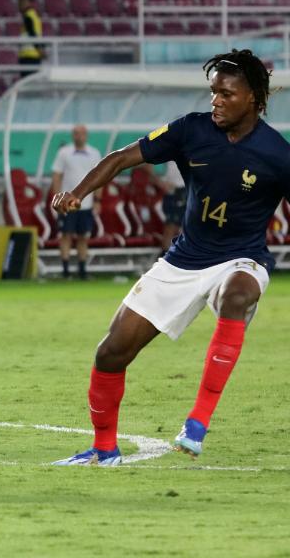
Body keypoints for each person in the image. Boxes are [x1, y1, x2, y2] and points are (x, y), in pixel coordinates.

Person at [52, 49, 289, 466]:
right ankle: (104, 449)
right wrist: (78, 194)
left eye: (226, 94)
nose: (215, 100)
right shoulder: (190, 130)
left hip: (241, 258)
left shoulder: (277, 154)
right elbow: (121, 158)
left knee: (238, 294)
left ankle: (196, 424)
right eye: (213, 92)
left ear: (253, 97)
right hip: (183, 260)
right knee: (111, 352)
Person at [49, 124, 102, 280]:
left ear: (86, 135)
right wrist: (57, 198)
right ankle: (65, 270)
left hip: (86, 203)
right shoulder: (64, 153)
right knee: (66, 234)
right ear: (73, 135)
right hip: (67, 202)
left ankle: (82, 270)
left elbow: (100, 177)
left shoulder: (94, 153)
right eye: (76, 133)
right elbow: (57, 176)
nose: (79, 136)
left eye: (82, 133)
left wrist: (98, 200)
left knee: (83, 236)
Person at [156, 162, 186, 252]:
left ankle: (182, 260)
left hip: (190, 189)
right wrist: (160, 182)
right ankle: (164, 259)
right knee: (171, 227)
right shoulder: (166, 147)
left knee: (188, 228)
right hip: (174, 190)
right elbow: (146, 164)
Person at [17, 0, 43, 73]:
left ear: (29, 2)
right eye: (19, 1)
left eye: (23, 1)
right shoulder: (34, 16)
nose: (20, 4)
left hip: (29, 56)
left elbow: (32, 34)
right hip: (32, 55)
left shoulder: (28, 16)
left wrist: (40, 50)